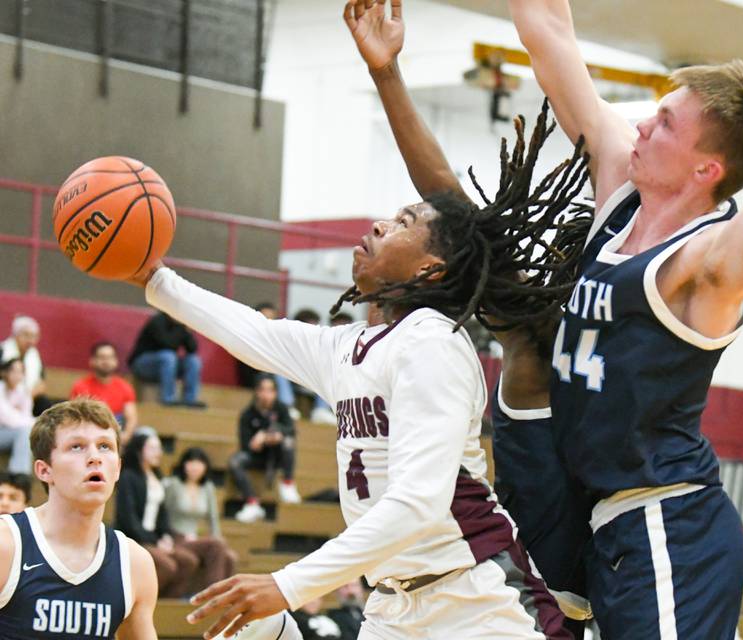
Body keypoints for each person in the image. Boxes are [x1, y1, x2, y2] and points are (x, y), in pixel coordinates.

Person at [124, 47, 591, 640]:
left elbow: (421, 500)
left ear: (431, 272)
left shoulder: (433, 344)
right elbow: (258, 335)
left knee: (267, 614)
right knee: (249, 630)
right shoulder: (352, 347)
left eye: (403, 224)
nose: (377, 225)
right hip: (394, 606)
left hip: (478, 602)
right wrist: (156, 279)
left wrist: (289, 584)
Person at [507, 1, 743, 638]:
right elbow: (550, 35)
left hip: (668, 522)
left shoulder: (703, 263)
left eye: (665, 122)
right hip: (601, 519)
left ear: (706, 169)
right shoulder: (620, 192)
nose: (641, 125)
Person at [342, 2, 594, 635]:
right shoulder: (535, 341)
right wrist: (387, 75)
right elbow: (454, 212)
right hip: (524, 600)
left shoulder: (627, 333)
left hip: (608, 565)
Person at [0, 398, 158, 638]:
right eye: (77, 446)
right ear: (44, 470)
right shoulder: (6, 546)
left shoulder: (135, 564)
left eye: (105, 446)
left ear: (117, 469)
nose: (95, 457)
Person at [115, 432, 202, 598]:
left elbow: (162, 515)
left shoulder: (157, 477)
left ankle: (166, 604)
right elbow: (128, 519)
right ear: (140, 450)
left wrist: (166, 536)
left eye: (160, 448)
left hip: (154, 538)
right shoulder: (128, 477)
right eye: (153, 448)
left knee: (188, 561)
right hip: (134, 538)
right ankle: (138, 601)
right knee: (167, 566)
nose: (158, 453)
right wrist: (155, 541)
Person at [231, 375, 301, 524]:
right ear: (257, 392)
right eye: (262, 390)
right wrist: (258, 441)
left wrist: (269, 436)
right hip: (257, 456)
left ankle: (287, 483)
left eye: (270, 390)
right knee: (235, 462)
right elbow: (245, 445)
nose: (266, 394)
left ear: (275, 392)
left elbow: (291, 431)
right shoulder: (247, 414)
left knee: (288, 441)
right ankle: (251, 502)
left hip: (277, 456)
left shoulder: (281, 408)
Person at [163, 447, 237, 587]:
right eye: (191, 462)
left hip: (195, 539)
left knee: (229, 557)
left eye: (199, 463)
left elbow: (213, 518)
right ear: (184, 464)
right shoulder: (174, 484)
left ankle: (225, 596)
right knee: (216, 545)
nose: (195, 467)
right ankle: (213, 594)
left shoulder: (207, 487)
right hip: (176, 537)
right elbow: (164, 513)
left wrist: (217, 537)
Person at [128, 311, 206, 408]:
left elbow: (192, 349)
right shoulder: (157, 321)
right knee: (168, 356)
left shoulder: (181, 326)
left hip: (167, 367)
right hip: (142, 365)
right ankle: (168, 398)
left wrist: (188, 332)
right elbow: (167, 343)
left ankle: (190, 400)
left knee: (193, 361)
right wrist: (182, 328)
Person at [70, 342, 138, 443]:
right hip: (90, 431)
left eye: (110, 357)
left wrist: (124, 437)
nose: (106, 361)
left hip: (118, 432)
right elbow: (75, 417)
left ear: (116, 361)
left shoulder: (125, 387)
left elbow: (131, 418)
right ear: (92, 361)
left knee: (147, 434)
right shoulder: (80, 386)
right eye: (102, 357)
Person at [1, 316, 50, 416]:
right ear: (15, 335)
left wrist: (26, 398)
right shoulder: (2, 351)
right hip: (4, 396)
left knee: (44, 404)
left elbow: (41, 383)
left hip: (28, 397)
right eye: (26, 335)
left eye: (34, 336)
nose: (30, 340)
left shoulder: (34, 356)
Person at [0, 358, 34, 475]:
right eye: (14, 371)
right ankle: (18, 475)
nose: (17, 375)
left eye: (20, 372)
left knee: (25, 432)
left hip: (10, 434)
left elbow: (27, 416)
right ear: (4, 372)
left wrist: (18, 416)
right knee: (24, 431)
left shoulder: (23, 391)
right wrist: (20, 416)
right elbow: (6, 418)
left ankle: (18, 473)